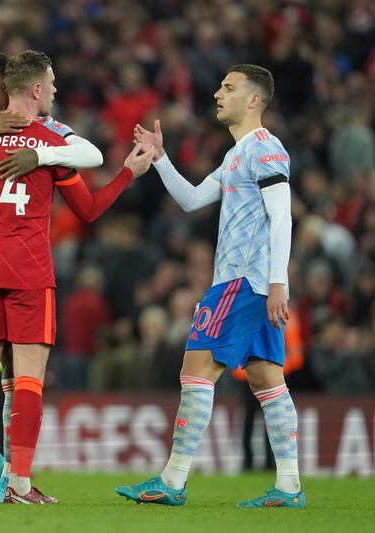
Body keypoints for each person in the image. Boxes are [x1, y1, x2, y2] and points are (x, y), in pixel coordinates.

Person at [0, 50, 154, 504]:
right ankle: (18, 484)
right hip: (30, 273)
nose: (55, 90)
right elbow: (88, 209)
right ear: (35, 89)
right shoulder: (50, 144)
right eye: (51, 83)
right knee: (27, 382)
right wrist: (128, 173)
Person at [117, 64, 304, 508]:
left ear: (254, 100)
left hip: (243, 281)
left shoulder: (265, 148)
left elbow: (282, 216)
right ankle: (290, 486)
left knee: (195, 371)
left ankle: (173, 481)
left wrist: (278, 282)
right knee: (267, 381)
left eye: (229, 87)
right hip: (254, 282)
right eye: (220, 85)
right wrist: (161, 159)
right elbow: (192, 200)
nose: (218, 93)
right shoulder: (236, 155)